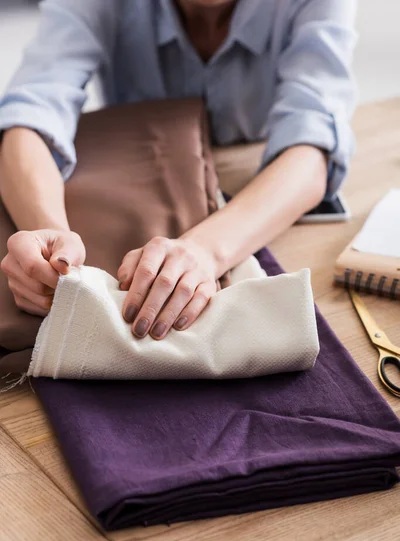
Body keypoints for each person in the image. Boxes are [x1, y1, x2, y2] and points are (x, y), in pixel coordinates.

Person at [0, 0, 357, 341]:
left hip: (257, 202)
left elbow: (314, 146)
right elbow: (31, 109)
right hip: (138, 193)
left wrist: (204, 250)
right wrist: (48, 235)